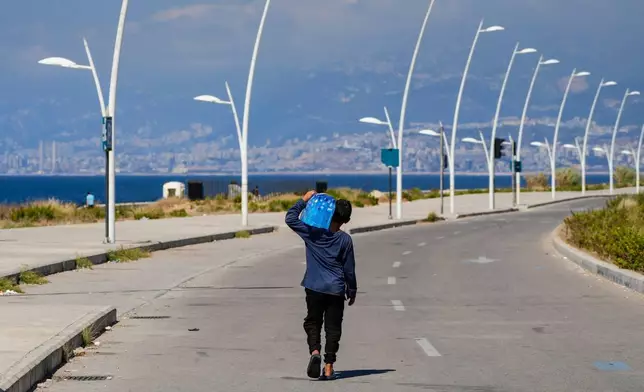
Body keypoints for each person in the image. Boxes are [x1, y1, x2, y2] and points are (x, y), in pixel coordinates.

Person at [285, 190, 357, 380]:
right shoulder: (345, 240)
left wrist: (304, 200)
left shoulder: (312, 233)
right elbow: (349, 269)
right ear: (346, 221)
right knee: (333, 328)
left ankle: (314, 352)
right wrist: (352, 290)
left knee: (313, 322)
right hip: (335, 289)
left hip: (314, 287)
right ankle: (328, 366)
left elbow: (290, 218)